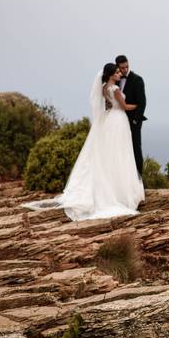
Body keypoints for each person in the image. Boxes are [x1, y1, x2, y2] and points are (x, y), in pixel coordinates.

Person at [23, 63, 145, 221]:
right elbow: (124, 106)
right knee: (120, 152)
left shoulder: (103, 88)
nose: (119, 74)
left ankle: (115, 186)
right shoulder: (114, 89)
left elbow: (106, 105)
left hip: (109, 120)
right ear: (110, 75)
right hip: (117, 119)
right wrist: (138, 105)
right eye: (116, 72)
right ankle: (120, 191)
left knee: (113, 152)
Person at [116, 54, 146, 176]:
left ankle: (139, 178)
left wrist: (134, 121)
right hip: (118, 121)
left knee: (135, 148)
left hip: (133, 121)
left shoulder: (137, 80)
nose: (125, 70)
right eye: (122, 68)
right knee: (121, 149)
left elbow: (142, 103)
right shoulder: (114, 81)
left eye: (126, 67)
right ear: (117, 67)